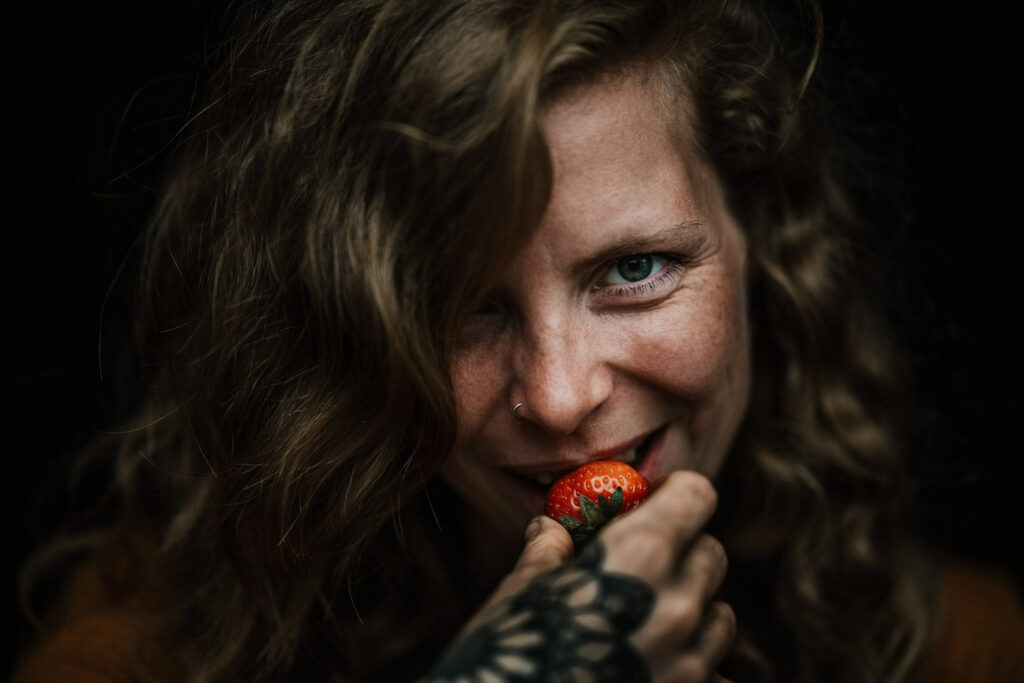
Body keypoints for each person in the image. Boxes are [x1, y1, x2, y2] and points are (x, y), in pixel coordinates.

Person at [13, 0, 1024, 681]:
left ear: (761, 241)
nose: (557, 394)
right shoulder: (143, 632)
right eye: (460, 304)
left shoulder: (964, 649)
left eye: (633, 269)